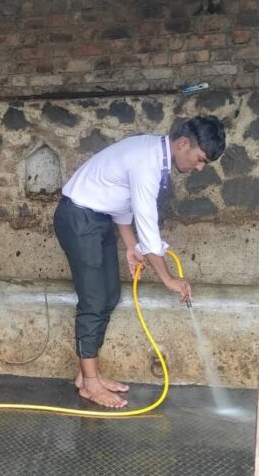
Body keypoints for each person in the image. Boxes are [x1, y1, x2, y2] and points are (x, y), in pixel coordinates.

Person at [54, 115, 226, 409]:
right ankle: (90, 384)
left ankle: (87, 375)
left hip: (97, 219)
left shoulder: (153, 155)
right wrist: (168, 278)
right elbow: (149, 228)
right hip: (80, 219)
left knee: (110, 294)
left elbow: (123, 205)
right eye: (200, 160)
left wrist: (131, 247)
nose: (198, 168)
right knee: (94, 300)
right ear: (183, 143)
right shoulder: (147, 162)